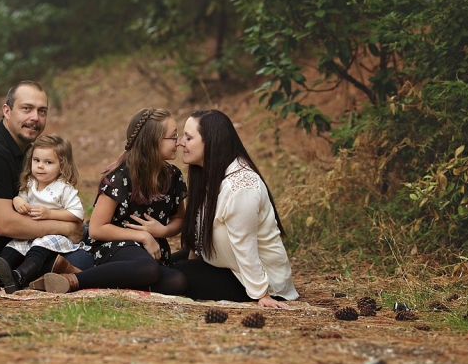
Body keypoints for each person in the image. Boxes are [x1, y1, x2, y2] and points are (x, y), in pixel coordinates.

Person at [0, 81, 93, 283]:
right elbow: (5, 225)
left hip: (28, 243)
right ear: (6, 111)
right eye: (27, 109)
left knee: (96, 234)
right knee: (91, 258)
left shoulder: (28, 153)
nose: (35, 117)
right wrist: (66, 228)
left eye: (42, 111)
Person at [41, 107, 188, 296]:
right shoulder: (121, 176)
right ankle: (73, 280)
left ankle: (97, 277)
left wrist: (163, 231)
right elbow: (96, 229)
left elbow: (179, 218)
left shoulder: (173, 176)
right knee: (148, 269)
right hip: (117, 247)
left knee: (178, 281)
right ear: (153, 141)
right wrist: (143, 236)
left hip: (152, 251)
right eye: (173, 136)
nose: (179, 142)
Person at [172, 109, 299, 309]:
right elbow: (199, 235)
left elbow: (245, 245)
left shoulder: (242, 187)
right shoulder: (211, 174)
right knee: (165, 264)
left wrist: (262, 294)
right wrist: (192, 264)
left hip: (255, 281)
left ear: (210, 142)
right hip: (226, 266)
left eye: (188, 137)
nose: (181, 143)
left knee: (171, 277)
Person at [0, 134, 86, 293]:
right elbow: (22, 197)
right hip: (33, 232)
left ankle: (20, 276)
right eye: (36, 160)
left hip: (56, 235)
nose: (40, 166)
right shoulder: (31, 182)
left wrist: (50, 214)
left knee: (39, 248)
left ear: (62, 166)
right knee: (15, 245)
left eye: (48, 162)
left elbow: (77, 214)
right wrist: (17, 200)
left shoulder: (63, 188)